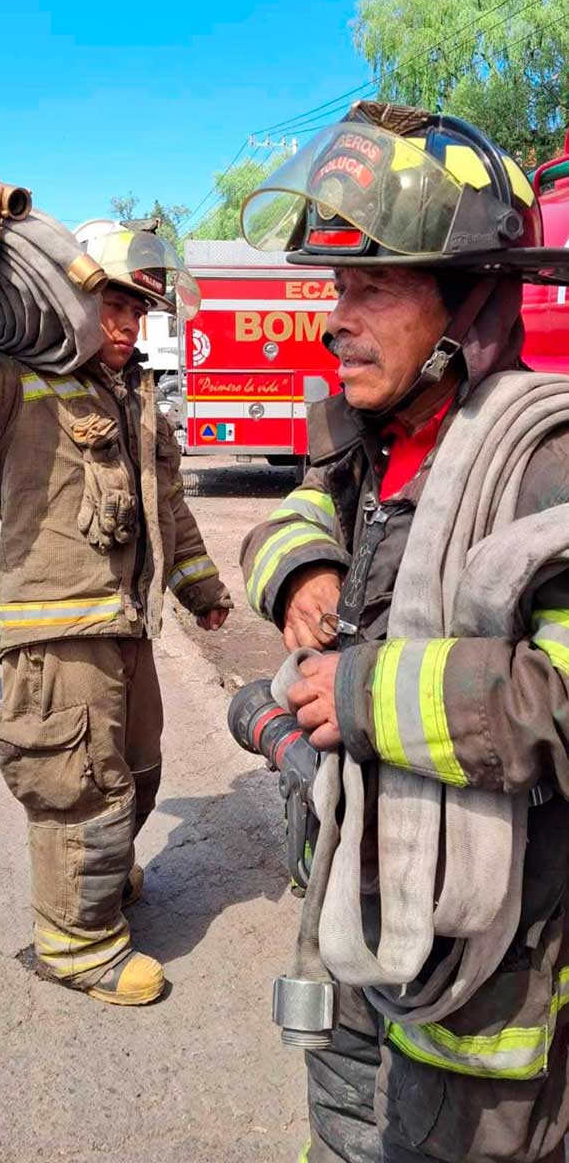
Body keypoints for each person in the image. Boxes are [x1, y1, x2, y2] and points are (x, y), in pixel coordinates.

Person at [240, 103, 569, 1161]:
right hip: (348, 918)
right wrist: (300, 563)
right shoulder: (362, 442)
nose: (335, 317)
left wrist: (356, 695)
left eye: (371, 286)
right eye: (335, 287)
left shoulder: (542, 465)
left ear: (470, 300)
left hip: (481, 988)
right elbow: (293, 509)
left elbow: (556, 699)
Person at [0, 178, 231, 1005]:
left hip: (127, 625)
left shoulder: (135, 392)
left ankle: (97, 884)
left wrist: (200, 587)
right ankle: (76, 944)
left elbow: (165, 502)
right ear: (66, 301)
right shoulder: (16, 387)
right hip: (56, 630)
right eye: (109, 305)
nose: (125, 325)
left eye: (137, 310)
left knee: (138, 771)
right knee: (80, 784)